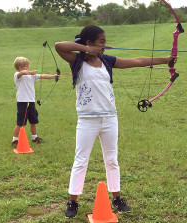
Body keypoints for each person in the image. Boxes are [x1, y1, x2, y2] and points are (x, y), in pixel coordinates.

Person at [55, 25, 177, 218]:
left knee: (112, 159)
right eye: (101, 42)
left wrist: (165, 60)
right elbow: (59, 45)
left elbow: (137, 61)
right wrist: (86, 51)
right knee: (81, 160)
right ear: (89, 42)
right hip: (87, 119)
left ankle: (117, 198)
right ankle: (72, 201)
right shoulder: (76, 59)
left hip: (110, 118)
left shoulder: (107, 61)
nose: (104, 45)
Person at [11, 57, 59, 147]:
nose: (28, 67)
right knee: (20, 123)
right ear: (20, 67)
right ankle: (15, 140)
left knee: (33, 121)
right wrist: (30, 72)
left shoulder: (31, 75)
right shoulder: (17, 75)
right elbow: (23, 73)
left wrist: (54, 76)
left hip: (31, 102)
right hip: (23, 102)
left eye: (29, 66)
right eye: (26, 66)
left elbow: (42, 75)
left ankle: (34, 137)